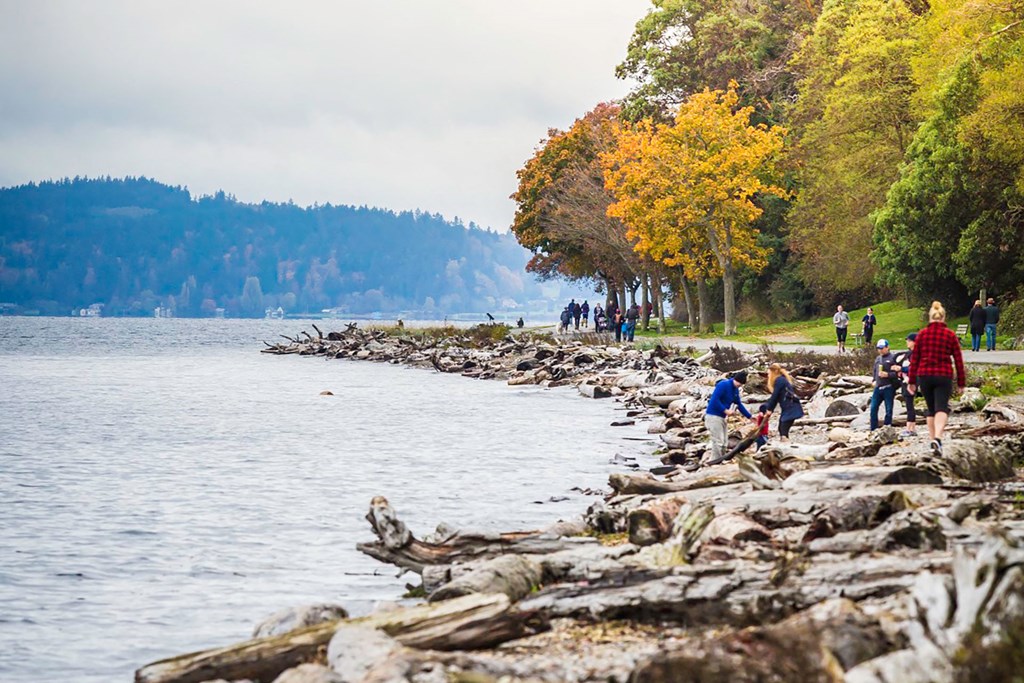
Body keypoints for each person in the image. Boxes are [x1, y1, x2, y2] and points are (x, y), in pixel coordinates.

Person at [909, 301, 966, 455]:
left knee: (931, 408)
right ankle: (939, 438)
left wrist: (912, 381)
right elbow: (958, 359)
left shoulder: (922, 335)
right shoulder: (950, 335)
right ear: (943, 317)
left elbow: (915, 359)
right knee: (941, 407)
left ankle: (932, 439)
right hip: (943, 375)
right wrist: (961, 382)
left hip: (925, 375)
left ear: (930, 317)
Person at [703, 370, 754, 464]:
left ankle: (721, 460)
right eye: (739, 383)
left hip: (722, 418)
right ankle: (714, 462)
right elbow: (714, 400)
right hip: (713, 416)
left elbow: (738, 404)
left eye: (742, 384)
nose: (740, 385)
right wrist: (725, 410)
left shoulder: (735, 390)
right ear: (735, 379)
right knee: (718, 442)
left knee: (724, 443)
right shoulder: (723, 385)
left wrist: (749, 417)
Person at [762, 363, 805, 442]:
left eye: (769, 373)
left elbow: (775, 396)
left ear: (774, 371)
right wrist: (768, 408)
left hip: (791, 407)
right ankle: (785, 443)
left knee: (783, 428)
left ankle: (786, 444)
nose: (768, 375)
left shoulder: (779, 380)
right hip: (788, 407)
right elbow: (776, 397)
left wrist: (769, 409)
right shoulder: (781, 379)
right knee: (781, 428)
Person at [891, 333, 918, 438]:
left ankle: (911, 429)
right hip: (907, 381)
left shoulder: (916, 354)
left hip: (911, 382)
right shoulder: (910, 353)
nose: (907, 342)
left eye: (909, 340)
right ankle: (911, 428)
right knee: (909, 404)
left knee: (909, 405)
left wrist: (901, 369)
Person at [869, 339, 898, 431]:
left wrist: (888, 374)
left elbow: (897, 374)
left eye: (882, 348)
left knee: (888, 409)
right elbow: (875, 371)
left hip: (889, 387)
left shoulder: (893, 358)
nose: (880, 350)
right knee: (873, 408)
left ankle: (887, 427)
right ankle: (873, 428)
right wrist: (874, 380)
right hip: (878, 387)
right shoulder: (878, 358)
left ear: (887, 347)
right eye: (879, 348)